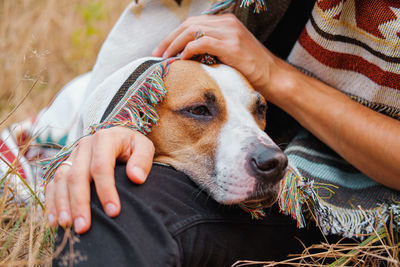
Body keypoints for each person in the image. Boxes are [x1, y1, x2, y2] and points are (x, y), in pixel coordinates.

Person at [47, 0, 400, 264]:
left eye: (259, 109)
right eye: (200, 111)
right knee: (111, 187)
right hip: (215, 189)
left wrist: (272, 74)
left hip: (349, 203)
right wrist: (121, 122)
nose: (266, 150)